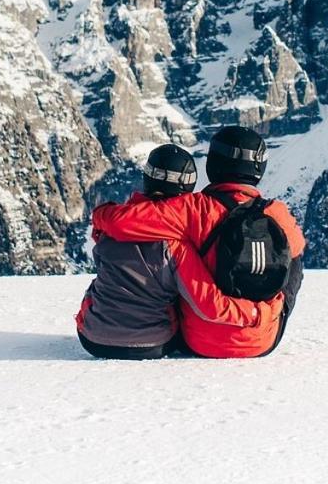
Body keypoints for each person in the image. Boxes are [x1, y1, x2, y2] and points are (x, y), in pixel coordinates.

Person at [91, 126, 305, 359]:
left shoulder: (192, 209)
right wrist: (264, 312)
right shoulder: (277, 212)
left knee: (174, 258)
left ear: (212, 164)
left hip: (200, 341)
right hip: (263, 337)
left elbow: (120, 222)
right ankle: (265, 320)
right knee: (294, 260)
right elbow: (297, 250)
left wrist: (103, 211)